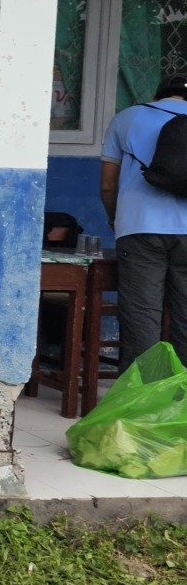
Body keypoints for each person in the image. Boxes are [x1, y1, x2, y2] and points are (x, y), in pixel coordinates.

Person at [99, 73, 187, 369]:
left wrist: (115, 219)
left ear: (156, 95)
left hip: (140, 228)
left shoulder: (127, 118)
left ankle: (141, 402)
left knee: (141, 317)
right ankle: (181, 401)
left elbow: (108, 185)